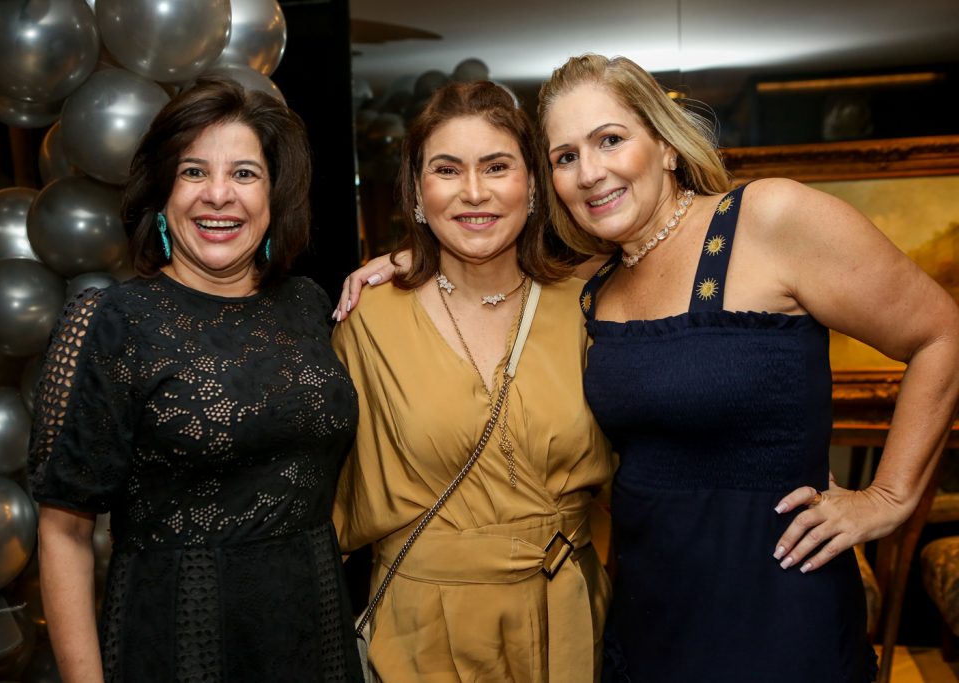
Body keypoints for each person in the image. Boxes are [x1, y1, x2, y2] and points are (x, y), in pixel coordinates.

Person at [339, 55, 959, 682]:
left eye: (610, 140)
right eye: (565, 156)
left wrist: (889, 496)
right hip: (644, 613)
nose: (591, 172)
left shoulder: (769, 219)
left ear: (665, 144)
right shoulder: (594, 284)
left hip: (774, 599)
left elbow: (942, 331)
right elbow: (480, 256)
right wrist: (404, 260)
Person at [29, 76, 362, 682]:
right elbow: (65, 534)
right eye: (192, 172)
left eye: (244, 174)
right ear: (162, 191)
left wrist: (403, 262)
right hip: (181, 640)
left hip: (316, 635)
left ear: (274, 195)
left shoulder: (308, 305)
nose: (218, 196)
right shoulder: (111, 323)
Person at [331, 81, 614, 682]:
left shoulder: (590, 307)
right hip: (425, 626)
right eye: (447, 170)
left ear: (533, 185)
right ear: (415, 191)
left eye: (496, 166)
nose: (474, 192)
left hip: (567, 616)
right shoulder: (368, 319)